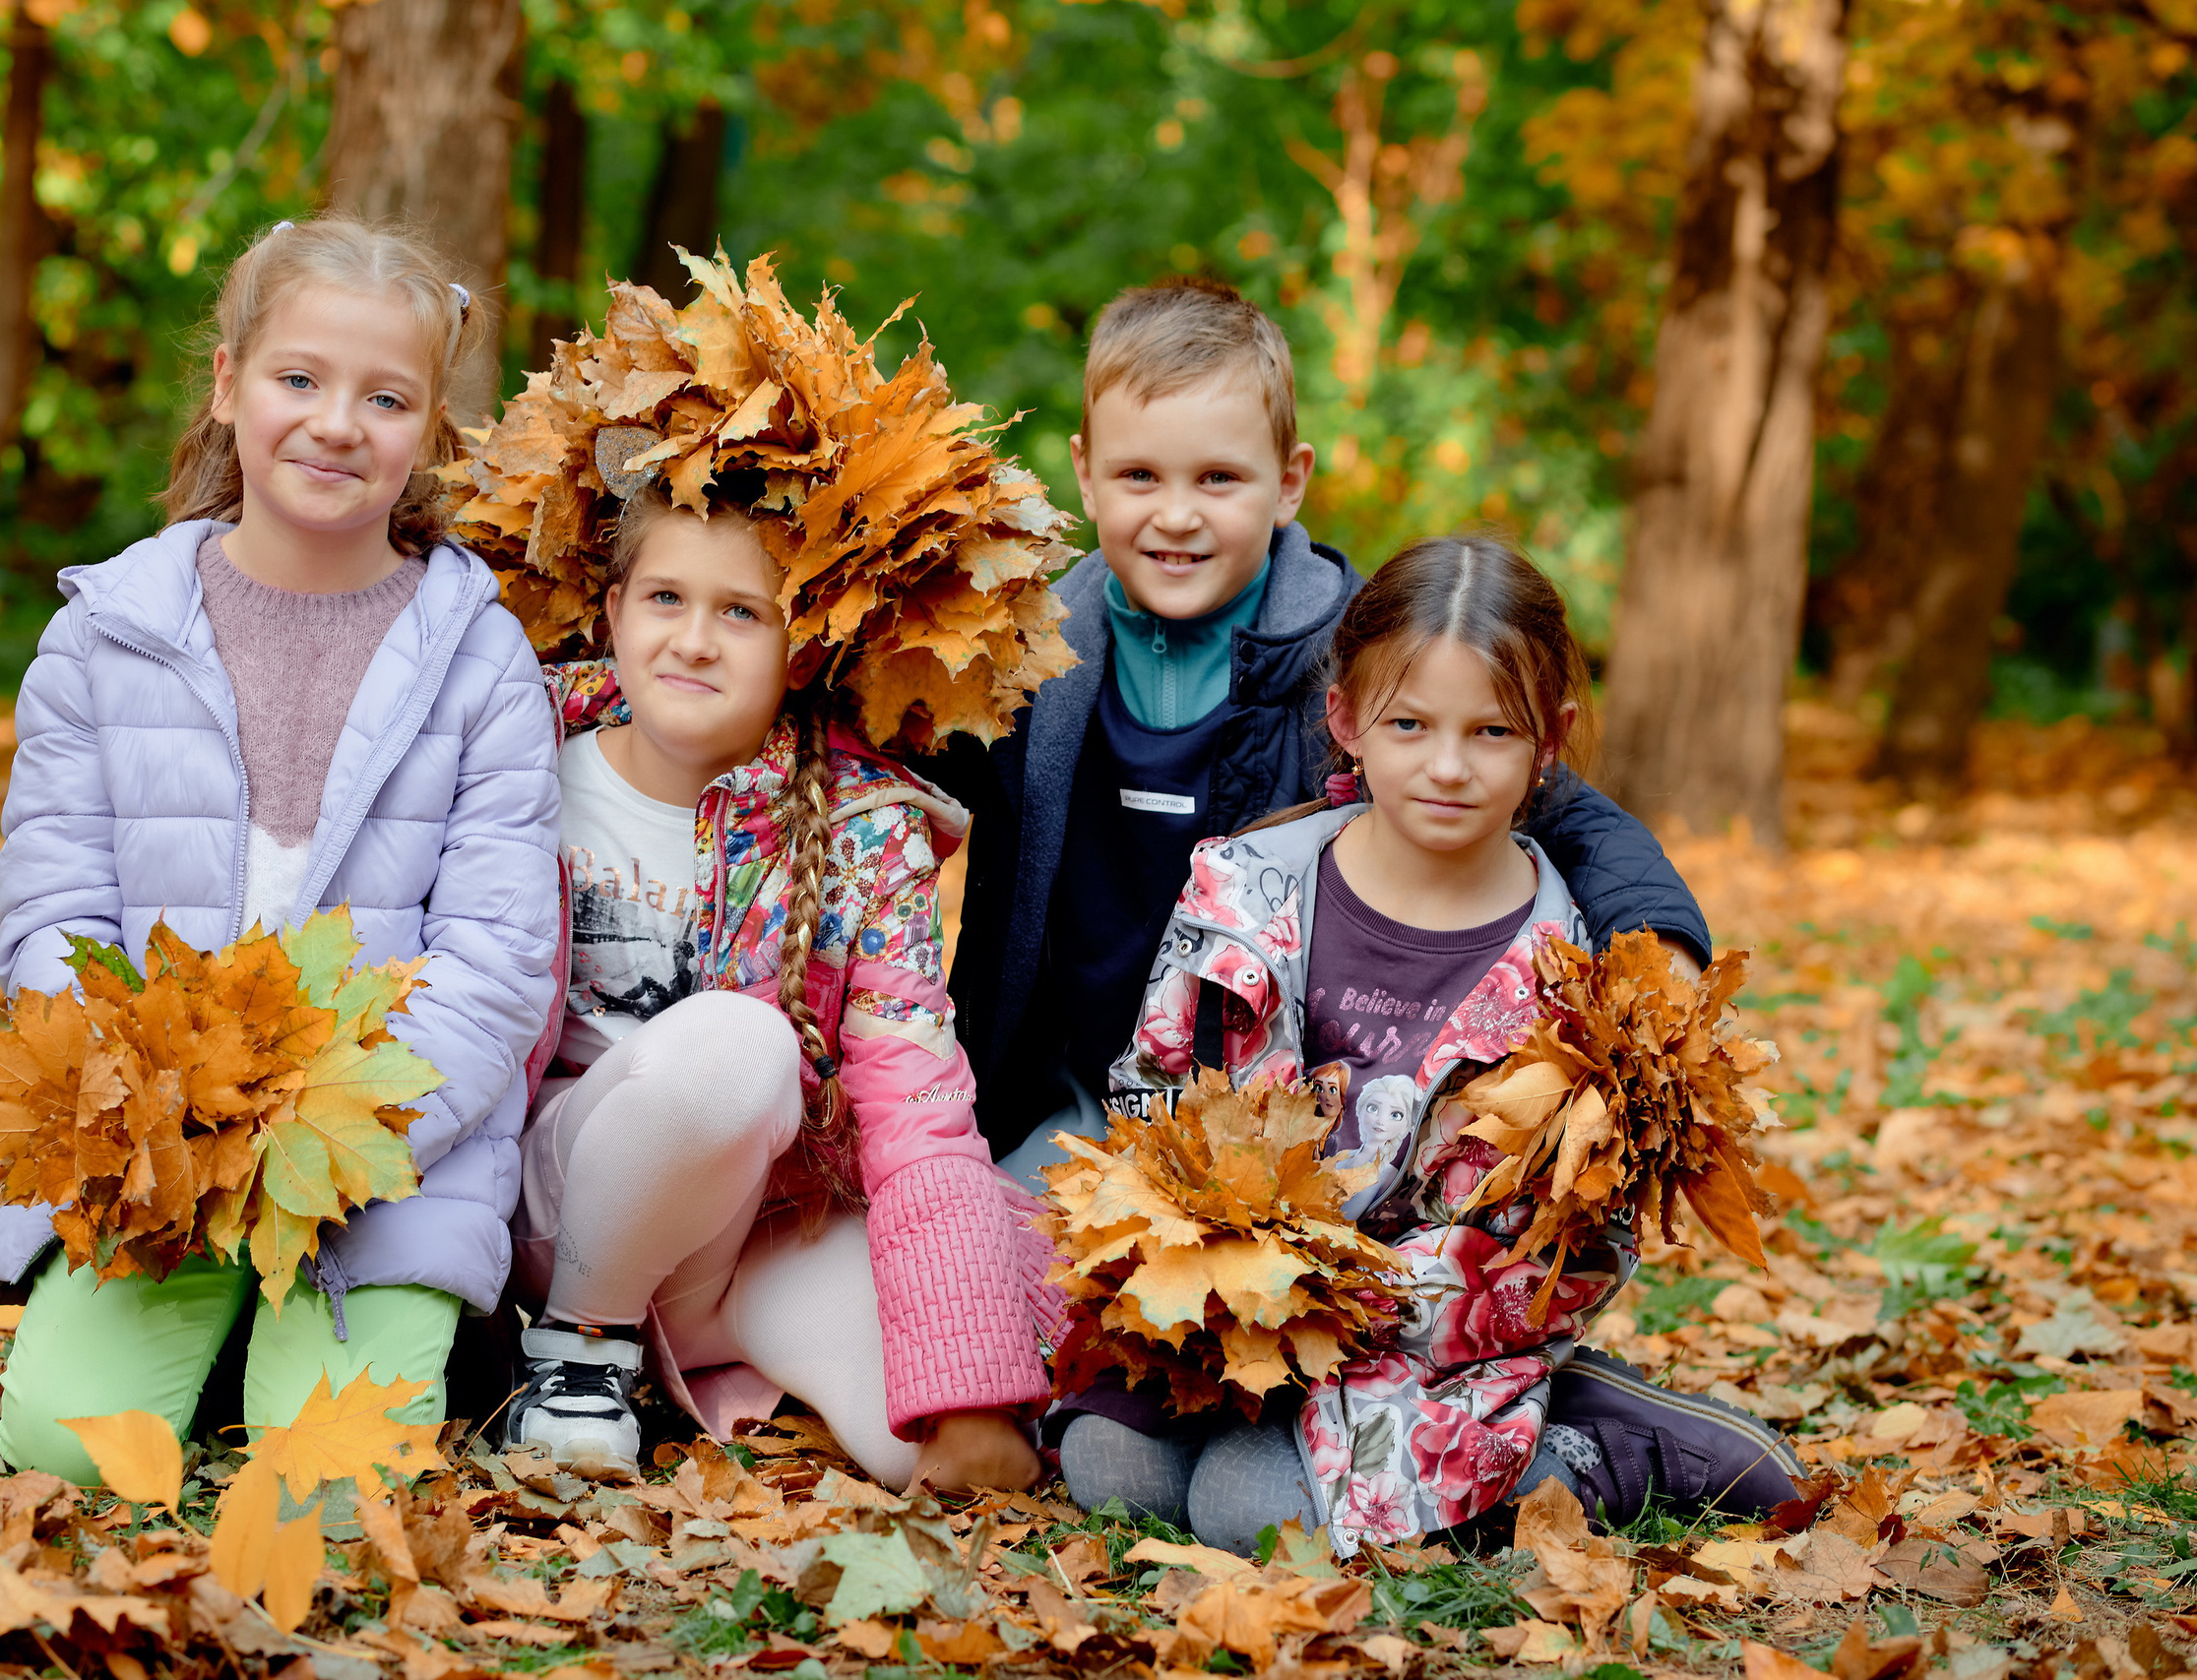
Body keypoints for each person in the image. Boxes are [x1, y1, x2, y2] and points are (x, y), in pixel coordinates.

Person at [456, 257, 1075, 1492]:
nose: (692, 638)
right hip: (544, 1209)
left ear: (804, 647)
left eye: (742, 613)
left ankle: (676, 1354)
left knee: (958, 1460)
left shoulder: (856, 823)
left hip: (750, 1232)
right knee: (736, 1043)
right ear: (611, 609)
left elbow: (912, 1095)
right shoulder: (511, 753)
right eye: (666, 599)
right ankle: (577, 1355)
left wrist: (965, 1367)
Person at [1055, 534, 1800, 1554]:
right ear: (1346, 721)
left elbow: (1578, 1242)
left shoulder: (1577, 977)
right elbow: (1153, 1094)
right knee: (1110, 1471)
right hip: (1238, 1313)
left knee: (1243, 1516)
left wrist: (1346, 1302)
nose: (1446, 767)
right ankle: (1504, 1426)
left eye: (1492, 732)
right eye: (1408, 724)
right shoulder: (1243, 890)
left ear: (1550, 742)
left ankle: (1604, 1451)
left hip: (1433, 1338)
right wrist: (1226, 1274)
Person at [0, 217, 563, 1483]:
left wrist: (335, 1137)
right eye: (299, 379)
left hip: (376, 1168)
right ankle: (208, 1332)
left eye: (385, 396)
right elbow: (52, 914)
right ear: (231, 384)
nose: (337, 423)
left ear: (427, 429)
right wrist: (159, 1119)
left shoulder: (482, 657)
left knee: (333, 1484)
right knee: (65, 1456)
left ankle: (326, 1349)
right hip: (153, 1159)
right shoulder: (102, 637)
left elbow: (498, 960)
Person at [931, 278, 1712, 1193]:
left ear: (1289, 481)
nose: (1176, 514)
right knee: (992, 1280)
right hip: (1071, 1095)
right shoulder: (1017, 651)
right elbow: (886, 768)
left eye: (1219, 478)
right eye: (1140, 475)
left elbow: (1555, 799)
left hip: (1283, 1122)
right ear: (1086, 472)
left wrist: (1658, 938)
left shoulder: (1355, 656)